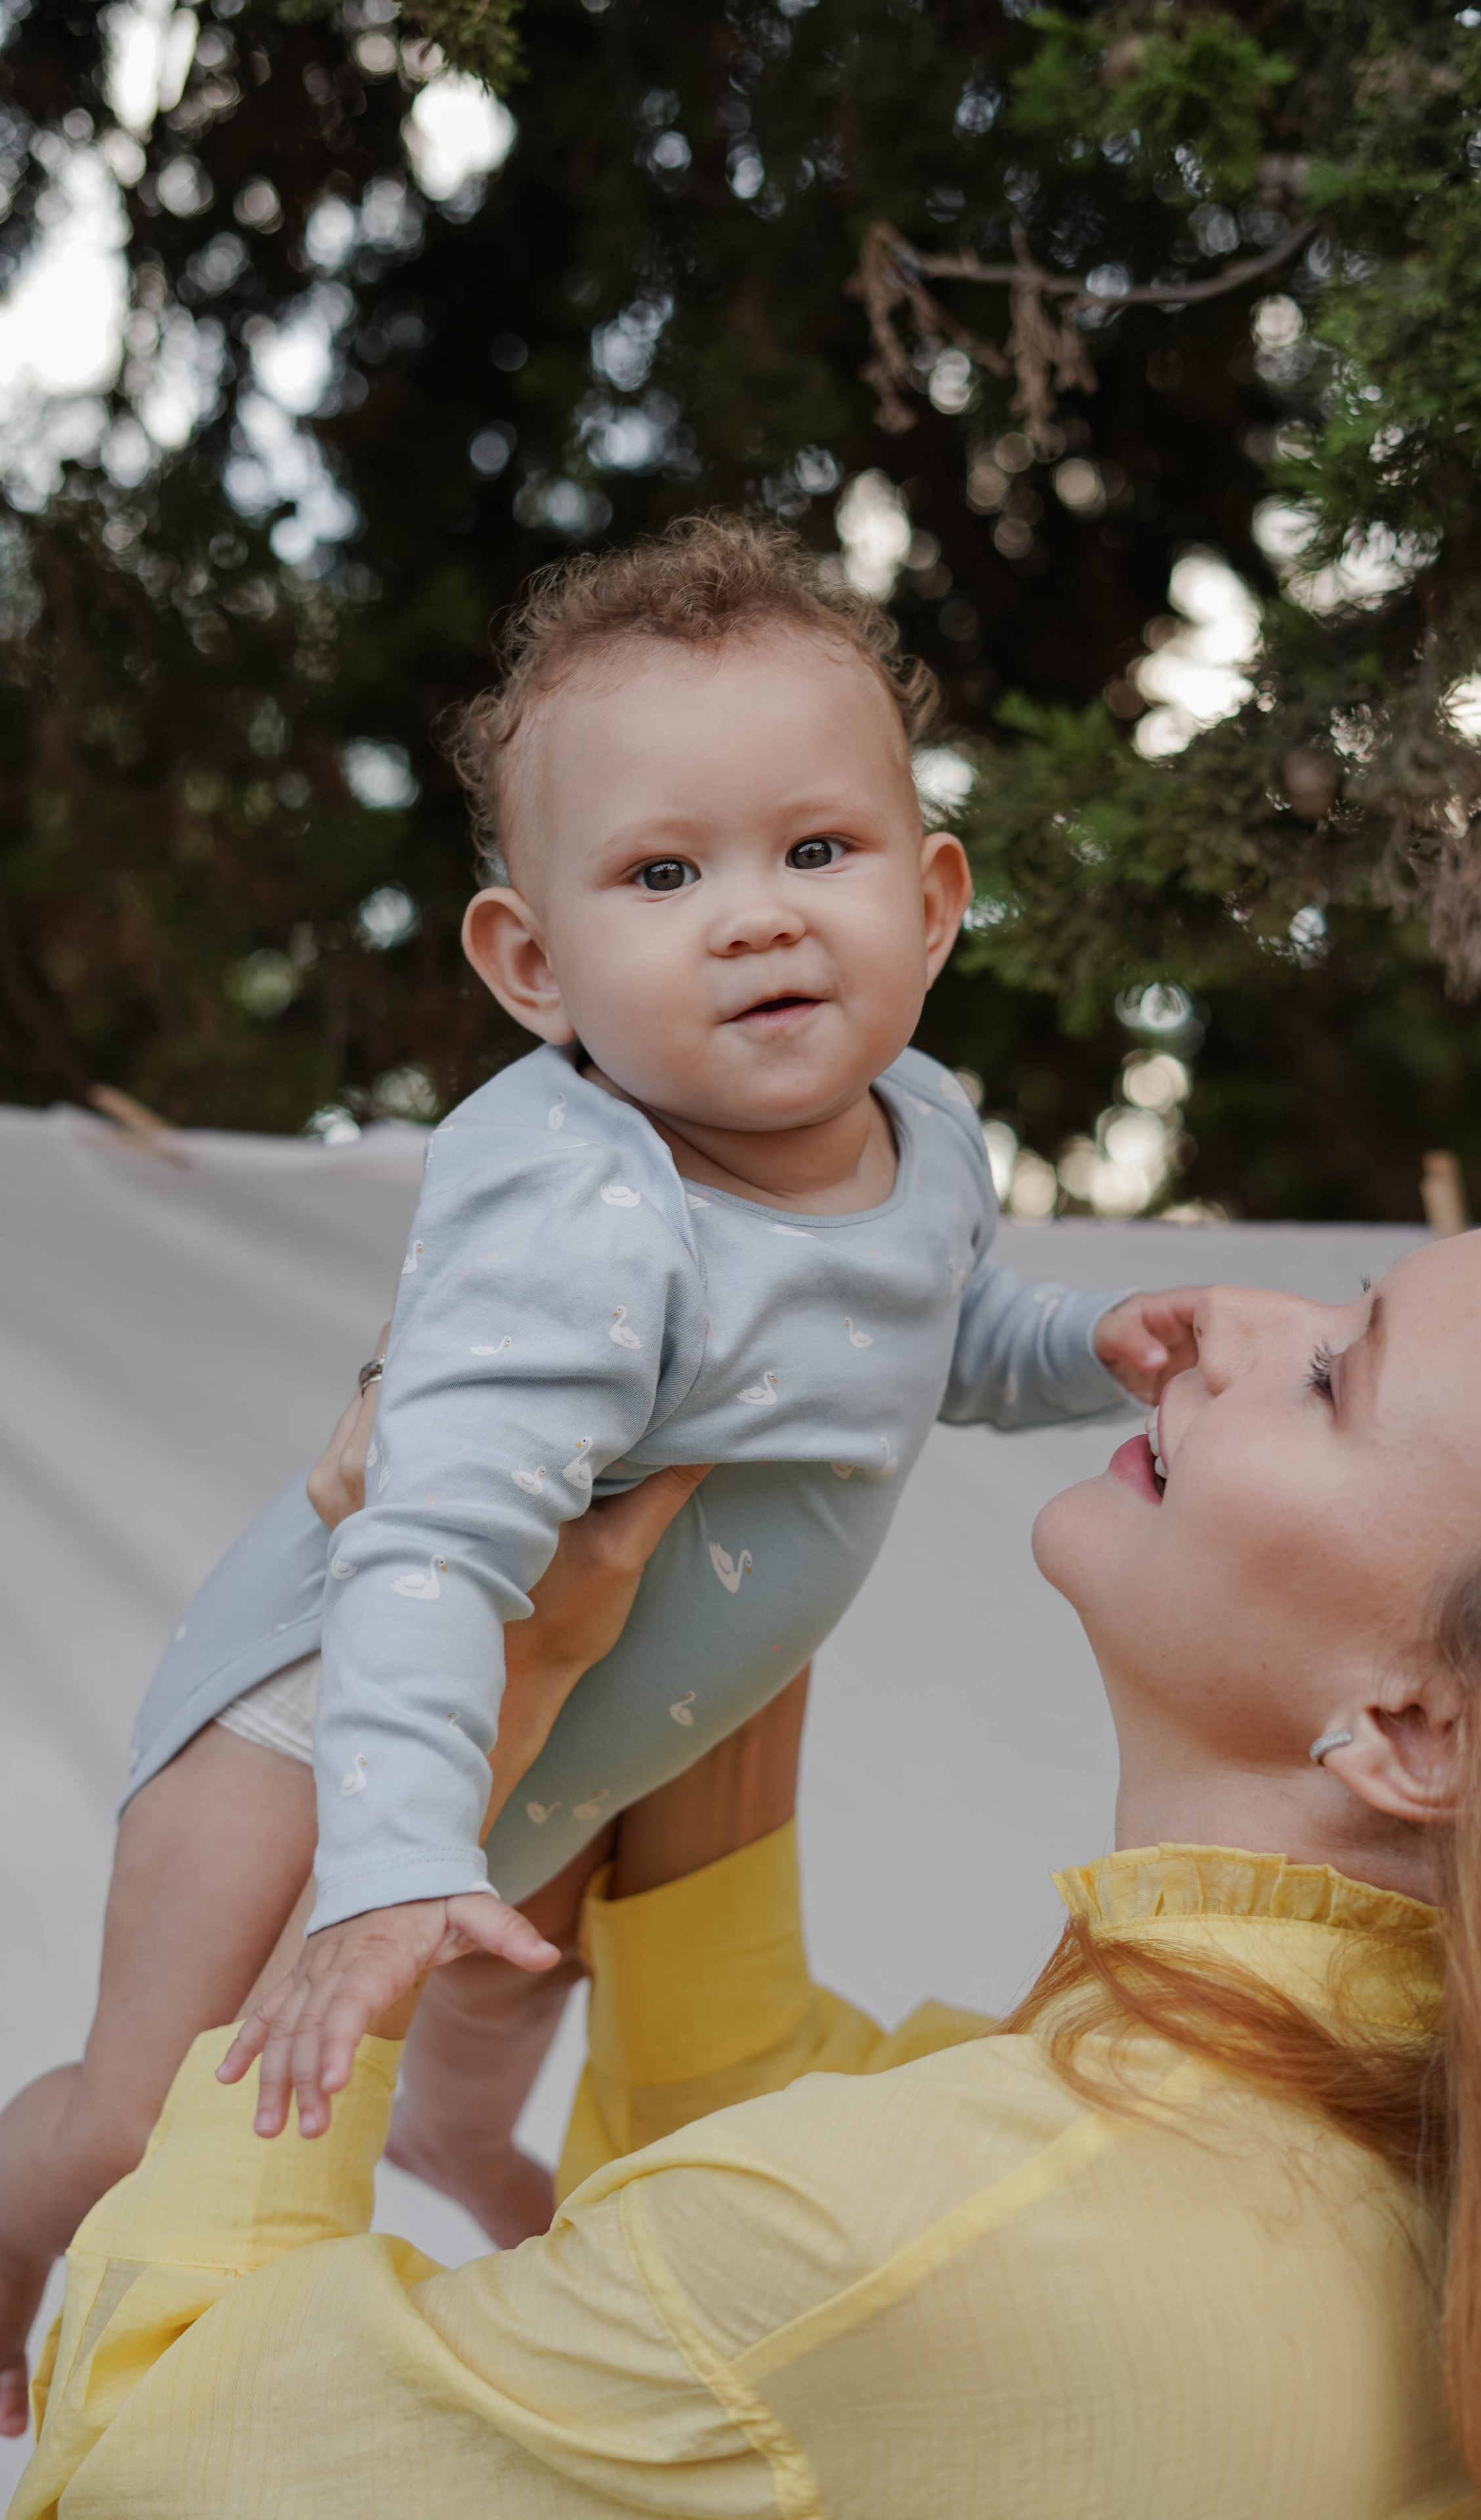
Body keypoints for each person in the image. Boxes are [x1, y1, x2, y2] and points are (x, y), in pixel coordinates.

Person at [0, 513, 1205, 2428]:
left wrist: (1086, 1350)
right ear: (533, 965)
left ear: (937, 898)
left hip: (580, 1736)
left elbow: (930, 1335)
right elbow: (429, 1546)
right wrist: (384, 1862)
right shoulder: (585, 1220)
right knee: (161, 2108)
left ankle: (471, 2157)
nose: (758, 912)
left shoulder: (924, 1129)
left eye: (820, 851)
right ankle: (14, 2219)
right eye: (665, 873)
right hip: (335, 1720)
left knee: (508, 1995)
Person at [18, 1201, 1481, 2519]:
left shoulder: (931, 2244)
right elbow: (766, 2172)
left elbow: (144, 2465)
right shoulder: (1415, 2162)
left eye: (1334, 1378)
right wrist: (754, 1529)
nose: (1232, 1320)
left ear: (1413, 1733)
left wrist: (467, 1713)